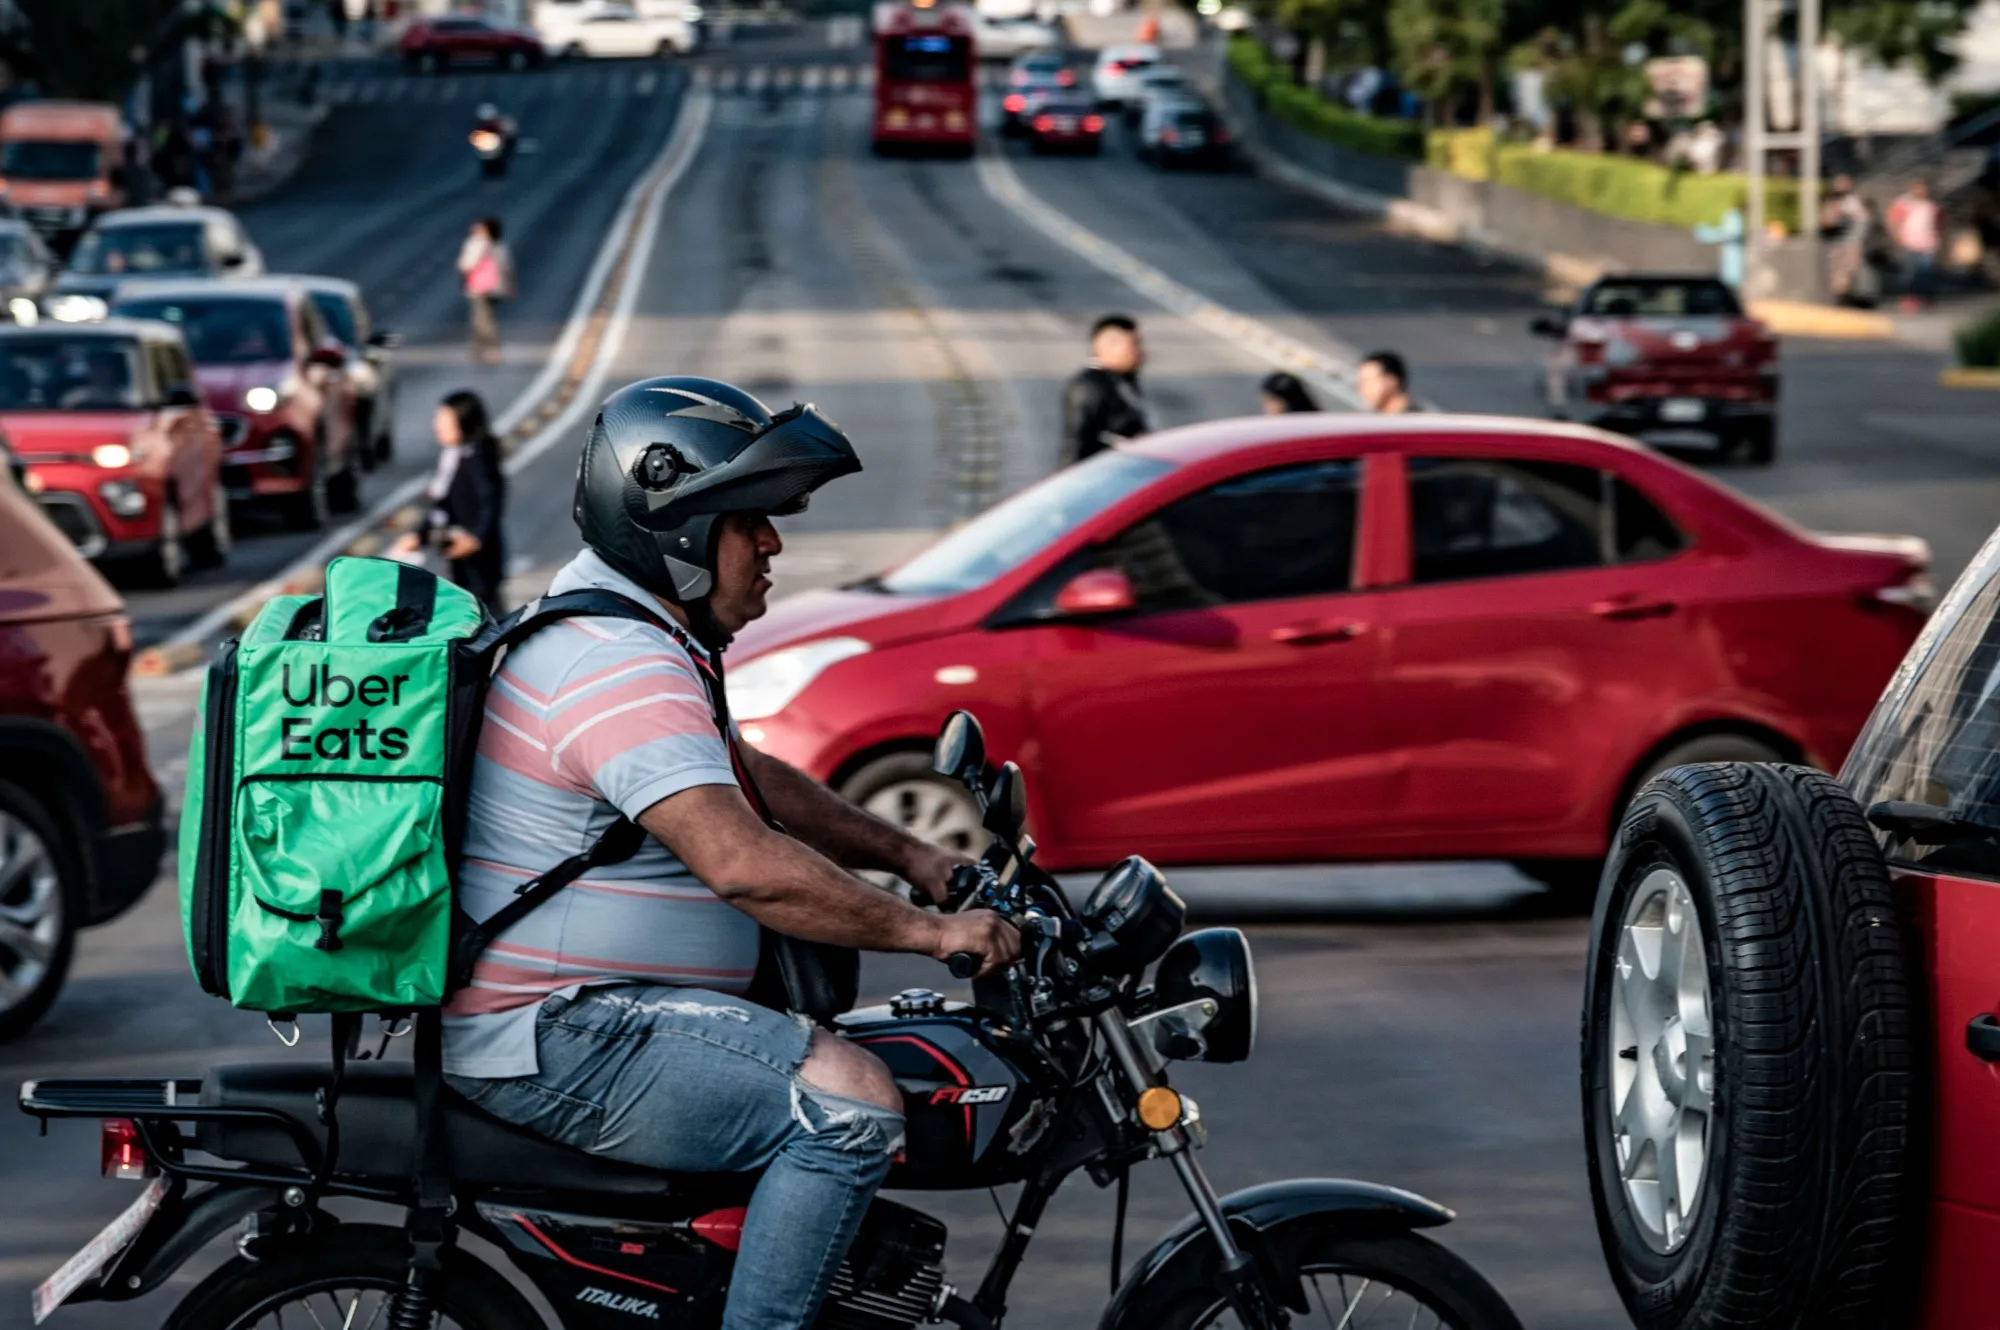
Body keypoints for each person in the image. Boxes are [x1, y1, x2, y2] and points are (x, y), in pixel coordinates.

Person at [442, 377, 1021, 1330]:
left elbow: (739, 772)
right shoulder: (612, 660)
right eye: (748, 519)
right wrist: (929, 933)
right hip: (559, 1032)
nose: (772, 543)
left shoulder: (629, 629)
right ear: (673, 528)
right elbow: (743, 862)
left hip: (582, 1016)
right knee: (849, 1102)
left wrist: (916, 855)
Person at [390, 390, 507, 612]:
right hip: (461, 556)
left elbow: (490, 501)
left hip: (480, 561)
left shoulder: (478, 456)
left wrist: (476, 537)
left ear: (463, 421)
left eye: (444, 419)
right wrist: (419, 535)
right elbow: (443, 505)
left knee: (485, 619)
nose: (437, 425)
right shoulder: (454, 456)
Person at [1062, 314, 1151, 464]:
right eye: (1134, 344)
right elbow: (1078, 446)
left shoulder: (1121, 379)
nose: (1140, 352)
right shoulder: (1089, 386)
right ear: (1109, 345)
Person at [458, 216, 513, 365]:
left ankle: (491, 349)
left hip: (479, 287)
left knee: (483, 320)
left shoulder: (475, 244)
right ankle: (479, 347)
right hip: (495, 286)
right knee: (485, 318)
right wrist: (509, 286)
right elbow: (507, 268)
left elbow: (466, 265)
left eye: (479, 227)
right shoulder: (499, 245)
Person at [1887, 179, 1942, 311]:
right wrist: (1896, 236)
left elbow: (1939, 221)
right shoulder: (1905, 203)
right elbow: (1894, 219)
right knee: (1909, 273)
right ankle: (1909, 298)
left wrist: (1937, 236)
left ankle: (1927, 298)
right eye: (1917, 188)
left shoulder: (1931, 205)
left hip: (1927, 244)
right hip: (1909, 243)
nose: (1921, 192)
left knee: (1926, 273)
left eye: (1923, 189)